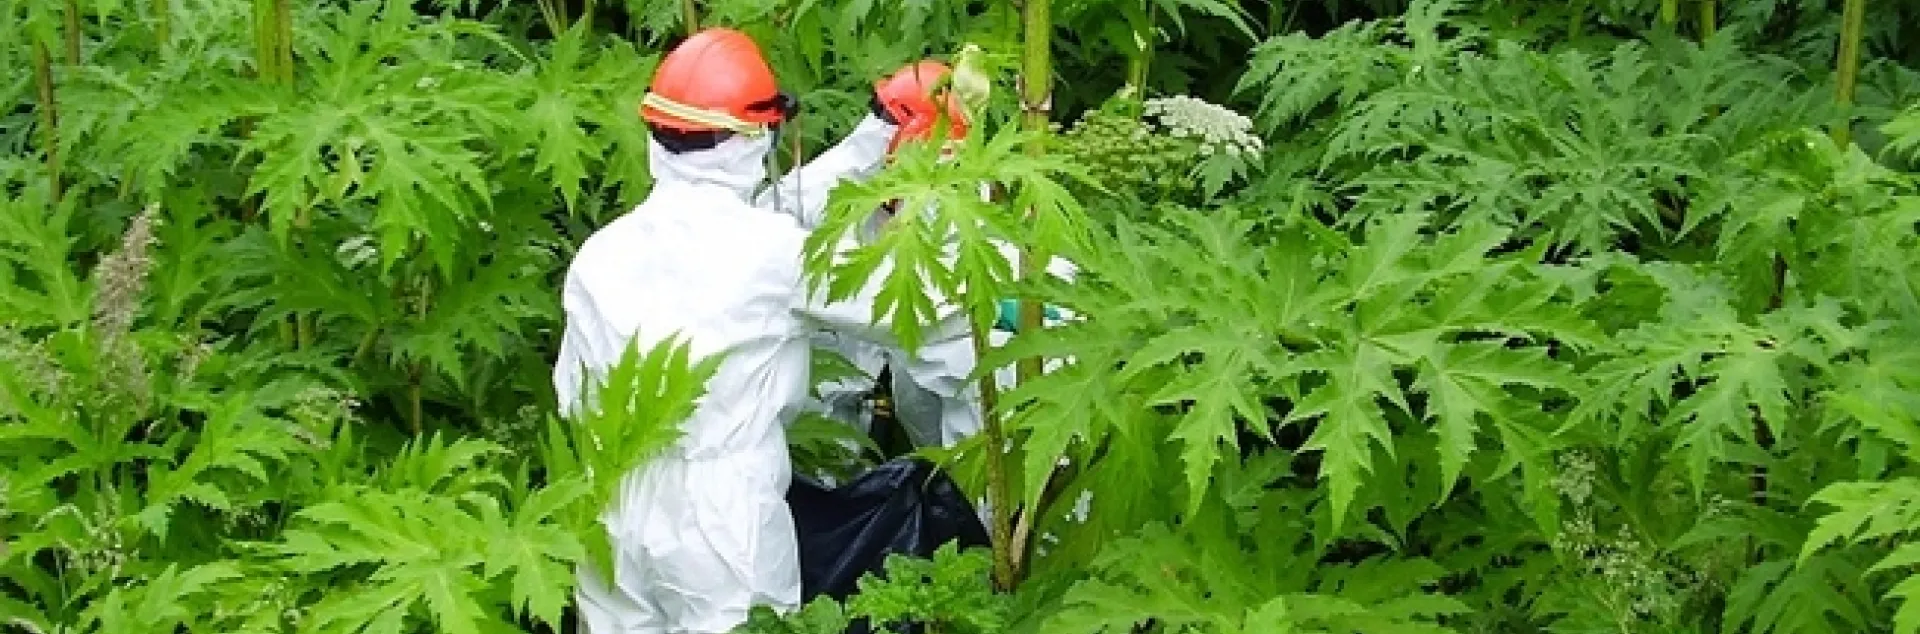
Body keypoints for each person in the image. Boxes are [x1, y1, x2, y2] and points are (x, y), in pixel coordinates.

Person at [551, 28, 971, 634]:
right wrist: (1012, 286)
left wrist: (873, 133)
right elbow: (904, 306)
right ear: (755, 139)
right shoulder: (773, 253)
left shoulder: (601, 252)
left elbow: (570, 391)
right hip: (720, 509)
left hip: (607, 493)